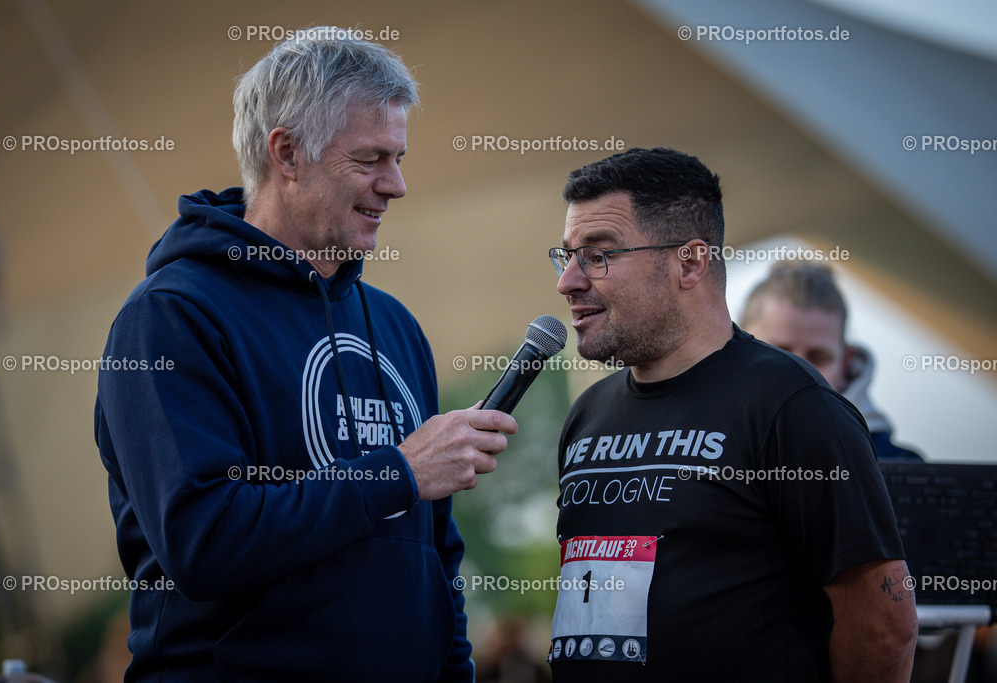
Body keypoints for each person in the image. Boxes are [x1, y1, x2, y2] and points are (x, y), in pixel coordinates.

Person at [94, 29, 516, 682]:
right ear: (287, 153)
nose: (396, 184)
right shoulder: (171, 316)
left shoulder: (397, 326)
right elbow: (204, 540)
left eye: (399, 156)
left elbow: (438, 558)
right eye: (371, 158)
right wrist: (395, 472)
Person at [545, 147, 917, 681]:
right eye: (567, 256)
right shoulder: (588, 412)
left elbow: (884, 622)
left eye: (600, 254)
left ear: (691, 262)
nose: (569, 282)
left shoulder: (789, 404)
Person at [741, 261, 923, 460]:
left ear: (845, 365)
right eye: (778, 353)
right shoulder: (702, 451)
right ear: (738, 354)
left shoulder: (902, 472)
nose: (798, 372)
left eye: (818, 358)